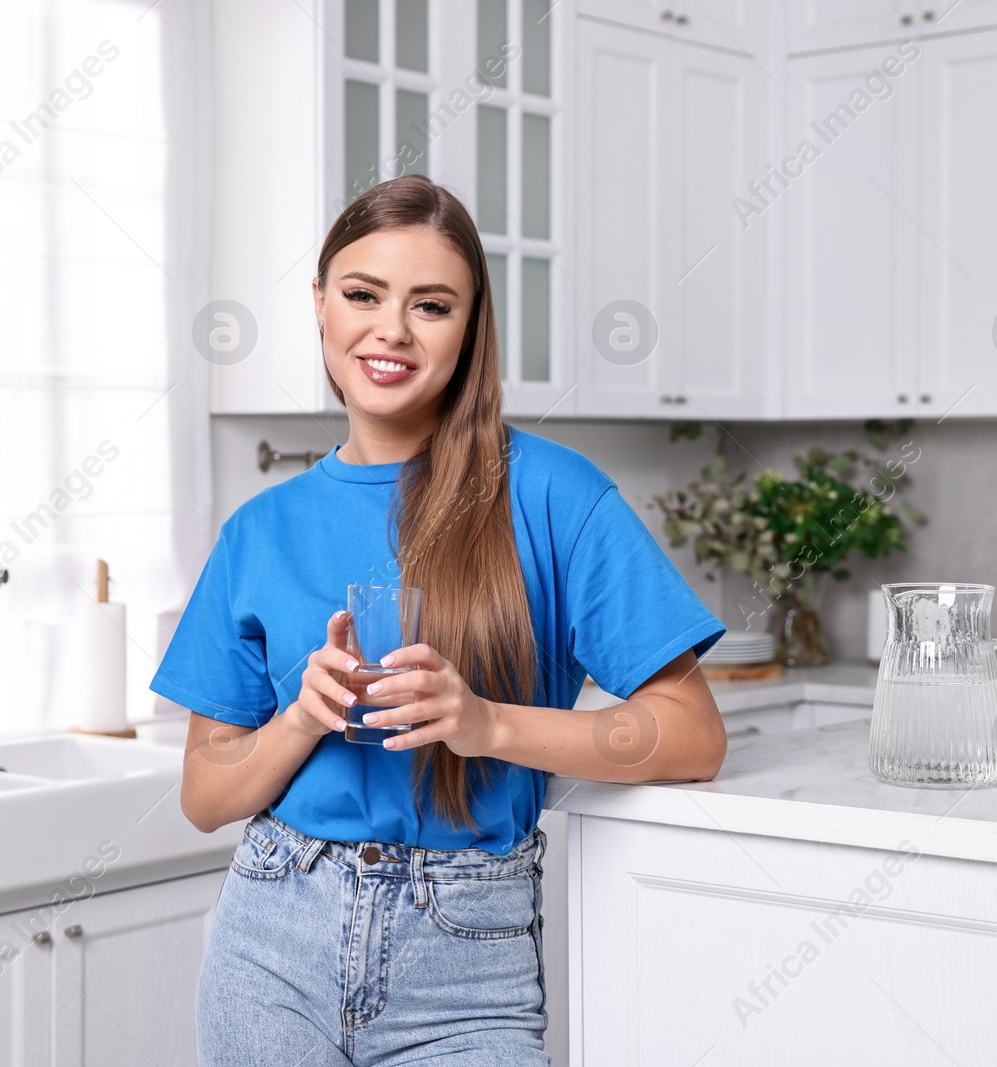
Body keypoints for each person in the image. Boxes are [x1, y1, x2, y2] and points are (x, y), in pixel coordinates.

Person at [150, 173, 728, 1066]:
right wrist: (303, 716)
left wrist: (486, 723)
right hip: (269, 943)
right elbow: (205, 796)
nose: (390, 329)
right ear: (320, 306)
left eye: (432, 305)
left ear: (470, 327)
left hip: (469, 966)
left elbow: (692, 735)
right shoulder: (258, 530)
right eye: (362, 294)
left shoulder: (553, 495)